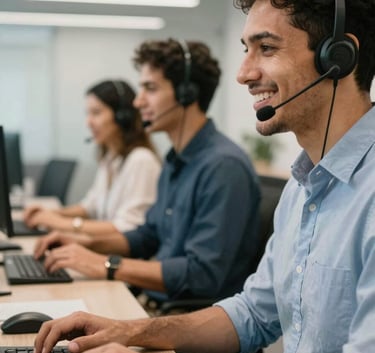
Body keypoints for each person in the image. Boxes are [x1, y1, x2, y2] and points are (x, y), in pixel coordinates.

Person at [33, 0, 375, 352]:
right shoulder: (301, 188)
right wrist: (127, 332)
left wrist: (106, 265)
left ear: (338, 58)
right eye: (247, 50)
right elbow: (254, 314)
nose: (242, 73)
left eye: (267, 48)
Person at [33, 39, 260, 305]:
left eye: (150, 89)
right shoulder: (175, 160)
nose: (138, 102)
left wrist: (105, 264)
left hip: (190, 318)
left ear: (187, 94)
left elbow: (202, 275)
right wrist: (83, 244)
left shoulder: (222, 166)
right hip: (158, 304)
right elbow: (148, 236)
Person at [24, 80, 161, 236]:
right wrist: (54, 213)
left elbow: (128, 227)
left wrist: (61, 223)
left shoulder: (141, 161)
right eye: (87, 114)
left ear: (122, 116)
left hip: (126, 257)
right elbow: (91, 206)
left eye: (96, 113)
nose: (88, 122)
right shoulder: (111, 158)